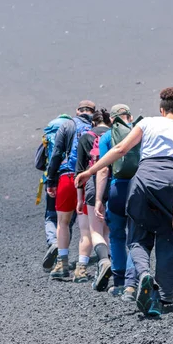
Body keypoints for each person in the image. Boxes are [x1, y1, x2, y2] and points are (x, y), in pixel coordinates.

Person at [76, 89, 173, 317]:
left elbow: (120, 149)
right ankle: (164, 295)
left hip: (144, 182)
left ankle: (143, 275)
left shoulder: (148, 123)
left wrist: (90, 171)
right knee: (170, 238)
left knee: (138, 238)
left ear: (161, 109)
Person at [46, 100, 95, 280]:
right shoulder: (95, 127)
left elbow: (56, 154)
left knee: (63, 222)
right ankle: (81, 268)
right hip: (87, 178)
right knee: (86, 227)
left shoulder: (67, 125)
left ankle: (62, 263)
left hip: (66, 177)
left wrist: (51, 180)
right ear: (92, 112)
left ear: (77, 111)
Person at [94, 104, 138, 298]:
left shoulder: (106, 137)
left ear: (112, 120)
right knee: (136, 237)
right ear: (130, 116)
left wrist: (98, 200)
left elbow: (103, 170)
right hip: (139, 188)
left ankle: (119, 281)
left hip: (117, 189)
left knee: (117, 235)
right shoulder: (139, 132)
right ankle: (132, 283)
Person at [73, 109, 112, 285]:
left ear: (93, 123)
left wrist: (80, 199)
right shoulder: (115, 135)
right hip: (115, 184)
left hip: (92, 185)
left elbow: (80, 171)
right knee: (110, 230)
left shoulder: (86, 137)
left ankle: (94, 264)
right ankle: (116, 266)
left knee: (92, 230)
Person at [37, 114, 75, 270]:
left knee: (52, 216)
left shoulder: (48, 134)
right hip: (71, 177)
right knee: (67, 221)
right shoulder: (75, 130)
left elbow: (38, 162)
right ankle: (61, 252)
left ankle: (53, 242)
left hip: (52, 179)